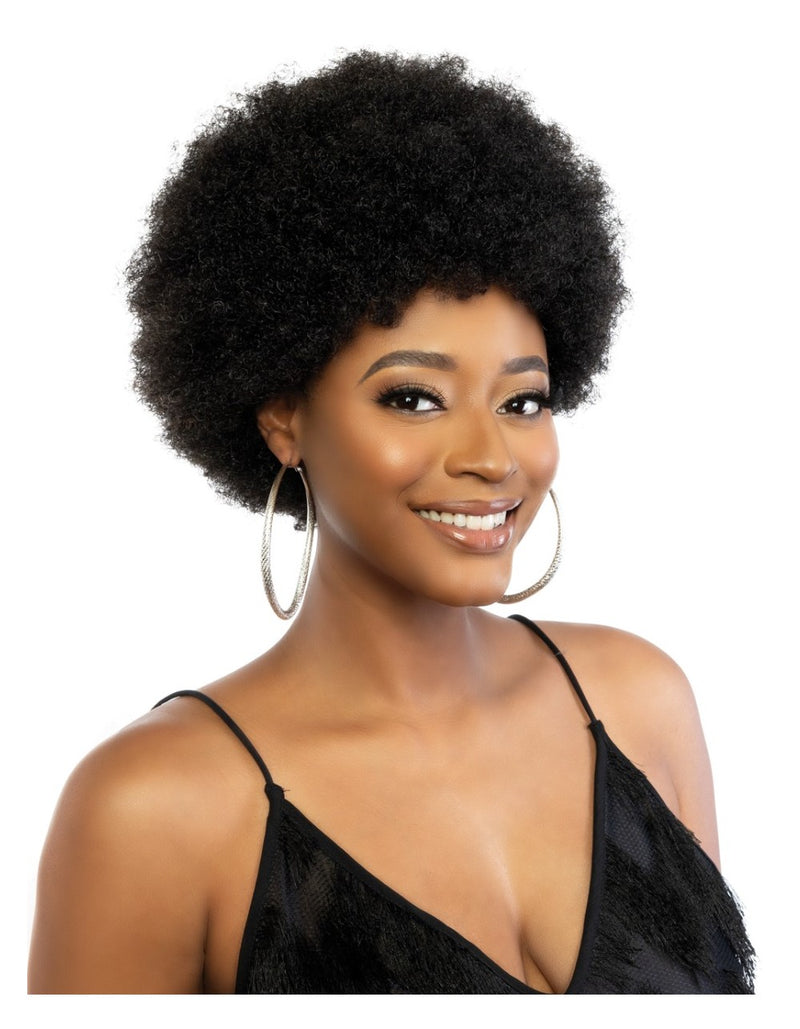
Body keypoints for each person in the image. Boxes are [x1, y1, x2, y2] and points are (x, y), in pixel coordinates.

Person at [27, 51, 754, 995]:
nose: (491, 456)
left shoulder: (638, 701)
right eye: (413, 398)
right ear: (283, 416)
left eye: (523, 401)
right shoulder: (155, 808)